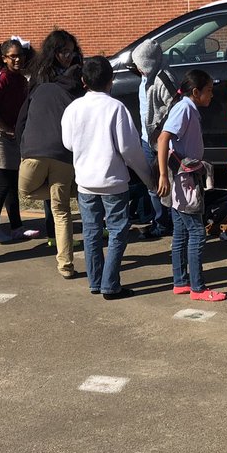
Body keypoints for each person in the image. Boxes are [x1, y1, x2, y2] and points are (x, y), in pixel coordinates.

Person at [61, 55, 153, 300]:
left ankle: (96, 280)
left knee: (91, 231)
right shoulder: (116, 108)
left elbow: (68, 143)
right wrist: (148, 178)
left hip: (85, 182)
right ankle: (110, 283)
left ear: (83, 81)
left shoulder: (73, 108)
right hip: (113, 182)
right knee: (117, 231)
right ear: (111, 80)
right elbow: (129, 149)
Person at [16, 28, 84, 278]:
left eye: (70, 51)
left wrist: (21, 147)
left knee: (53, 206)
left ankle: (65, 264)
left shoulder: (48, 80)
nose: (67, 55)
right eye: (62, 51)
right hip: (57, 151)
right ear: (52, 53)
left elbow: (23, 116)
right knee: (58, 206)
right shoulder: (64, 82)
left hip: (47, 149)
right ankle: (72, 190)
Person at [156, 70, 224, 302]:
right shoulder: (184, 108)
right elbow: (163, 138)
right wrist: (163, 175)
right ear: (195, 92)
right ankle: (198, 287)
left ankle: (181, 282)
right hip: (184, 180)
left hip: (183, 178)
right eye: (209, 91)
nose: (211, 96)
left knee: (181, 232)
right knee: (196, 232)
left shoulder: (187, 108)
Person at [0, 37, 40, 243]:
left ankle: (16, 227)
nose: (17, 60)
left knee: (13, 184)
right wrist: (7, 129)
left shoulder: (22, 80)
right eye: (12, 57)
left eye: (20, 56)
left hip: (12, 135)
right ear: (4, 59)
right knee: (3, 185)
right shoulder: (0, 78)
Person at [131, 38, 175, 239]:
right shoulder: (145, 78)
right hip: (146, 140)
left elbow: (174, 110)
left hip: (161, 142)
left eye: (142, 65)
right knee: (152, 184)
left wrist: (160, 129)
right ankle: (159, 220)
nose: (140, 70)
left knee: (167, 183)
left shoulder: (163, 80)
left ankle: (169, 222)